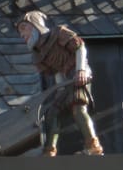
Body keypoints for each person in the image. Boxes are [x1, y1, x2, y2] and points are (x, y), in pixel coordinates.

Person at [15, 11, 104, 156]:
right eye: (20, 31)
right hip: (65, 81)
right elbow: (57, 71)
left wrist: (80, 70)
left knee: (78, 108)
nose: (22, 35)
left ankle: (94, 147)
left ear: (35, 25)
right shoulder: (39, 53)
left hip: (78, 73)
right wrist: (60, 89)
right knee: (52, 113)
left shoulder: (58, 33)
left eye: (24, 28)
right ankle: (49, 151)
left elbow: (80, 47)